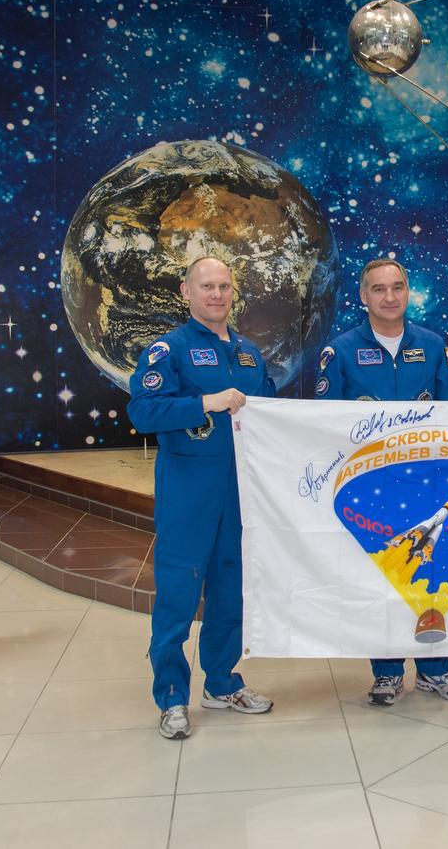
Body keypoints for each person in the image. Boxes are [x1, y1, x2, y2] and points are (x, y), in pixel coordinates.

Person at [127, 256, 276, 739]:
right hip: (189, 495)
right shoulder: (168, 350)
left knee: (231, 593)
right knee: (177, 595)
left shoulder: (251, 354)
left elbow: (275, 414)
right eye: (207, 285)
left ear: (234, 293)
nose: (217, 294)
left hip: (242, 496)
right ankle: (171, 697)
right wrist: (205, 403)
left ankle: (222, 682)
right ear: (186, 291)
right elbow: (144, 412)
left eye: (225, 286)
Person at [317, 258, 448, 707]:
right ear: (363, 296)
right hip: (369, 488)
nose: (389, 297)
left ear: (408, 293)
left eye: (398, 287)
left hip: (427, 485)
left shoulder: (432, 344)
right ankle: (385, 672)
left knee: (430, 574)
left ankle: (435, 669)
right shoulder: (341, 351)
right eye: (379, 289)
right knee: (379, 577)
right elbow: (324, 421)